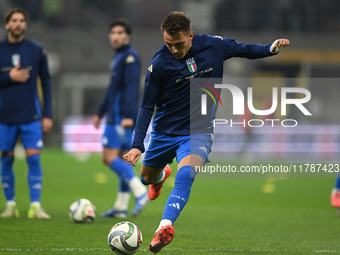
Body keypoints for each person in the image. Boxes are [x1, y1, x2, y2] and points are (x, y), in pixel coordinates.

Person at [123, 11, 290, 254]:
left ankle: (164, 227)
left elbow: (244, 49)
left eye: (178, 44)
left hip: (198, 131)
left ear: (190, 35)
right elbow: (147, 105)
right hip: (164, 132)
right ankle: (159, 177)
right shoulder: (158, 64)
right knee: (146, 178)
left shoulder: (214, 45)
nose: (174, 50)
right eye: (168, 44)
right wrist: (138, 144)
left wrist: (270, 49)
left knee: (186, 174)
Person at [92, 18, 149, 218]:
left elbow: (132, 87)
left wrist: (126, 115)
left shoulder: (129, 57)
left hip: (119, 116)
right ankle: (120, 207)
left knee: (108, 158)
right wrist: (100, 112)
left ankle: (140, 192)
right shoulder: (119, 57)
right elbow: (112, 88)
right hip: (116, 114)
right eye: (113, 33)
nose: (116, 37)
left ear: (128, 36)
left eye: (120, 33)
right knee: (124, 160)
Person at [0, 8, 53, 219]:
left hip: (31, 115)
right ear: (7, 24)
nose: (18, 24)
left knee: (33, 159)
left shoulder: (36, 50)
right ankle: (10, 205)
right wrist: (8, 77)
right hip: (5, 116)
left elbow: (47, 83)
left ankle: (35, 206)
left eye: (22, 20)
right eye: (14, 20)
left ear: (25, 24)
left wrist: (47, 114)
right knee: (6, 161)